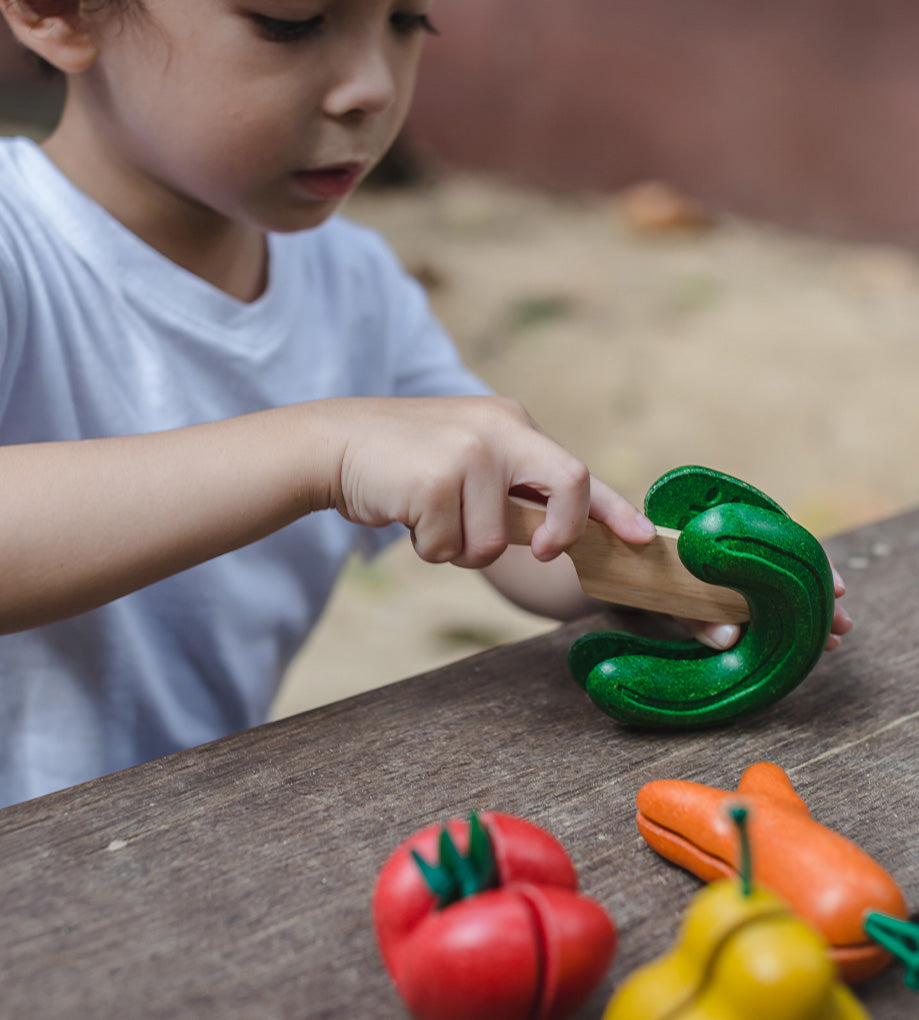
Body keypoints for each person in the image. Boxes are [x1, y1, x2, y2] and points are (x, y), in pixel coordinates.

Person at [0, 0, 851, 808]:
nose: (373, 84)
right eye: (289, 22)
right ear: (59, 11)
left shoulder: (353, 286)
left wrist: (645, 579)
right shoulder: (17, 246)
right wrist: (319, 451)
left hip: (169, 838)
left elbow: (507, 514)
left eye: (409, 19)